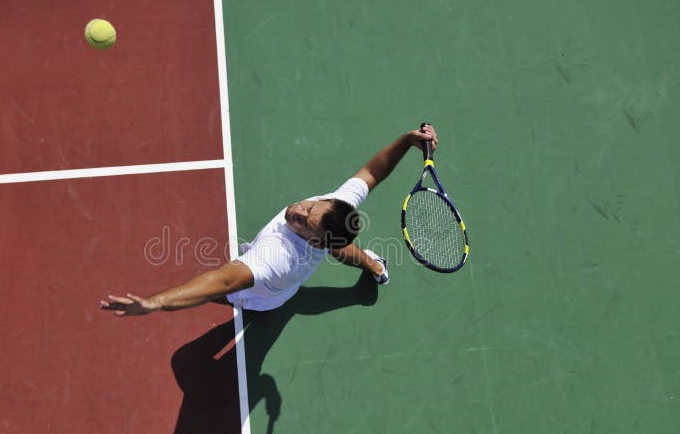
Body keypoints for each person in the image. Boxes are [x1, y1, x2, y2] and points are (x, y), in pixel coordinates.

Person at [100, 123, 438, 316]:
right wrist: (408, 141)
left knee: (229, 295)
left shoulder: (276, 257)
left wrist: (154, 302)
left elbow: (223, 281)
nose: (298, 211)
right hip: (320, 250)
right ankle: (373, 266)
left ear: (313, 238)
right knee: (339, 249)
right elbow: (372, 172)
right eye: (310, 207)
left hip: (265, 296)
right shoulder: (335, 207)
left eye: (306, 222)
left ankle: (369, 266)